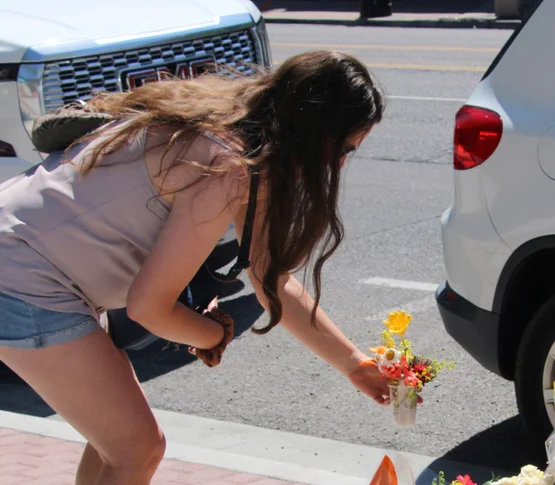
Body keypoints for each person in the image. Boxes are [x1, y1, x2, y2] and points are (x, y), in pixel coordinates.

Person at [0, 50, 391, 485]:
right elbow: (149, 307)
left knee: (115, 440)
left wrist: (355, 364)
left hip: (30, 259)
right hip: (23, 275)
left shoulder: (231, 133)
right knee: (137, 448)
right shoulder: (226, 165)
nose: (339, 164)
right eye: (344, 148)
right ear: (314, 127)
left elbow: (272, 280)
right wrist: (213, 334)